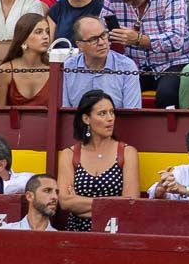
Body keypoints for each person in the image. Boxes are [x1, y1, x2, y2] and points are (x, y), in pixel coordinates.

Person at [101, 0, 189, 109]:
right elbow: (103, 32)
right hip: (134, 65)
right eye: (123, 0)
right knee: (111, 91)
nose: (128, 4)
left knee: (167, 94)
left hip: (173, 62)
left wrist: (138, 40)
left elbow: (176, 40)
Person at [57, 90, 140, 232]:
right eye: (102, 113)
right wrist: (111, 203)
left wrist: (80, 205)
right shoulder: (69, 154)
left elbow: (130, 202)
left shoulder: (127, 152)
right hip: (76, 234)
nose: (110, 118)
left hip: (114, 233)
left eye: (112, 112)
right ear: (86, 119)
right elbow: (65, 202)